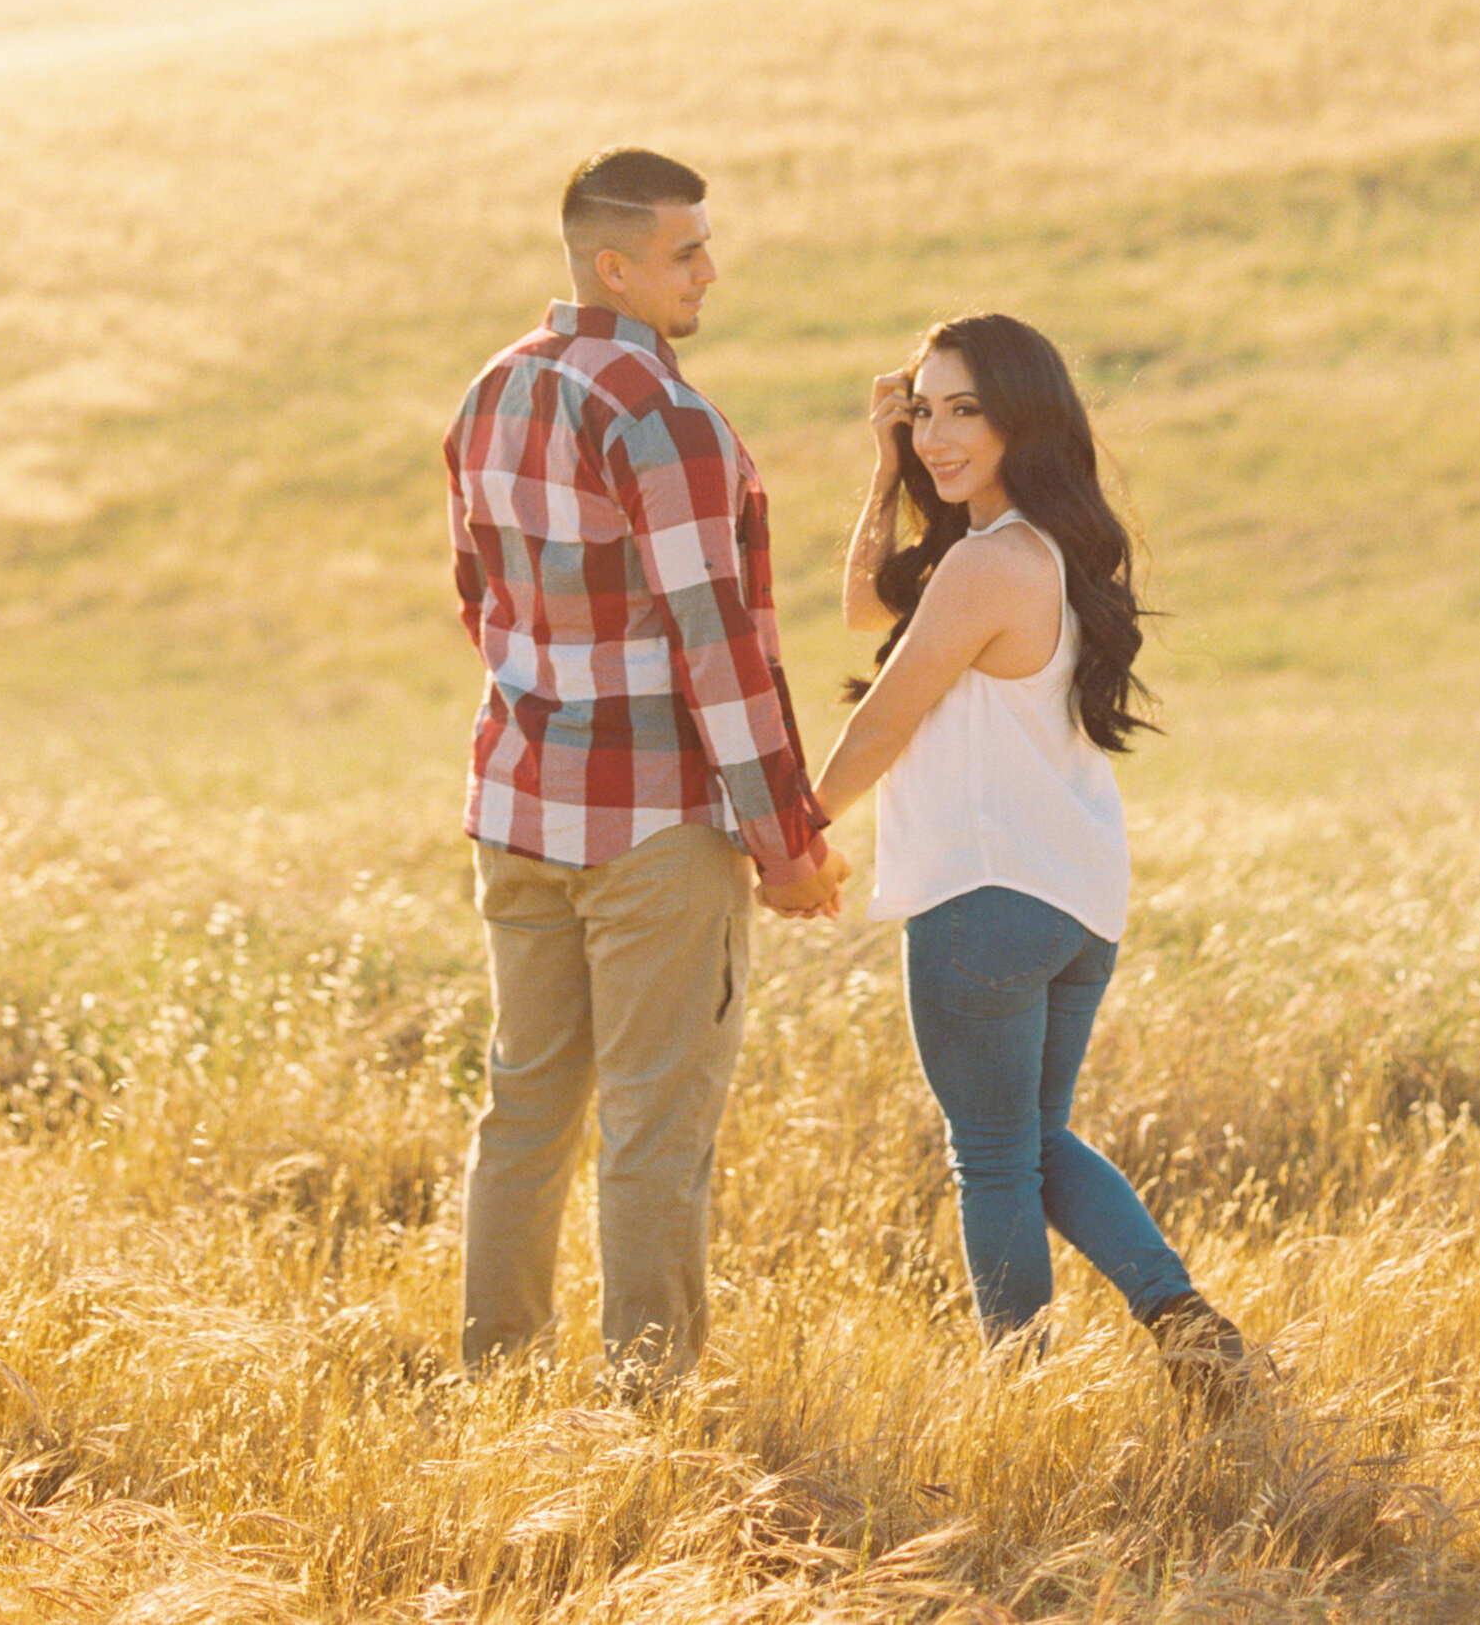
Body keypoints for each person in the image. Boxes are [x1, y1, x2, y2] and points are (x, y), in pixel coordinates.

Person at [446, 146, 849, 1383]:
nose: (708, 272)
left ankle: (498, 1378)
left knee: (524, 1110)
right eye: (686, 252)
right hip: (651, 834)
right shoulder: (659, 415)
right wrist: (785, 840)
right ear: (614, 265)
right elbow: (719, 647)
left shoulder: (493, 391)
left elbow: (479, 600)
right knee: (654, 1132)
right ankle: (650, 1403)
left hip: (518, 808)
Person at [812, 312, 1255, 1404]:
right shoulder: (1040, 552)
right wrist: (885, 469)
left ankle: (1021, 1392)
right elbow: (864, 600)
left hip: (981, 895)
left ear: (1023, 418)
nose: (936, 434)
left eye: (966, 409)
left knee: (993, 1158)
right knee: (1034, 1140)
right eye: (924, 411)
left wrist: (792, 831)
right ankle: (1183, 1321)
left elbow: (882, 725)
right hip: (1072, 895)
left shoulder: (984, 565)